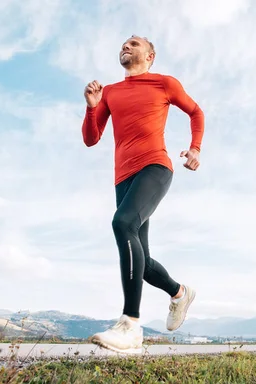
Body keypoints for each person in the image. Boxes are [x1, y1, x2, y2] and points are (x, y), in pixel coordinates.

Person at [81, 35, 203, 354]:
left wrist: (195, 149)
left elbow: (196, 112)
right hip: (123, 177)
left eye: (134, 44)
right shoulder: (109, 92)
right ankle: (179, 293)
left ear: (150, 55)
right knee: (143, 261)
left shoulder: (164, 83)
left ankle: (130, 325)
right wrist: (91, 108)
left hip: (155, 167)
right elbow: (91, 139)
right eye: (124, 43)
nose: (126, 46)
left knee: (123, 224)